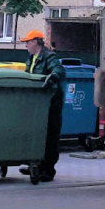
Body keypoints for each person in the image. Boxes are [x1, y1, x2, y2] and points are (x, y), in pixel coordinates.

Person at [20, 29, 66, 181]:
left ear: (34, 42)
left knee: (50, 135)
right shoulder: (31, 57)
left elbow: (59, 71)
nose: (26, 45)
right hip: (38, 103)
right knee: (37, 134)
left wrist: (52, 78)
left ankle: (48, 170)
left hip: (51, 102)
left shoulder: (49, 57)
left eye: (27, 42)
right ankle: (36, 165)